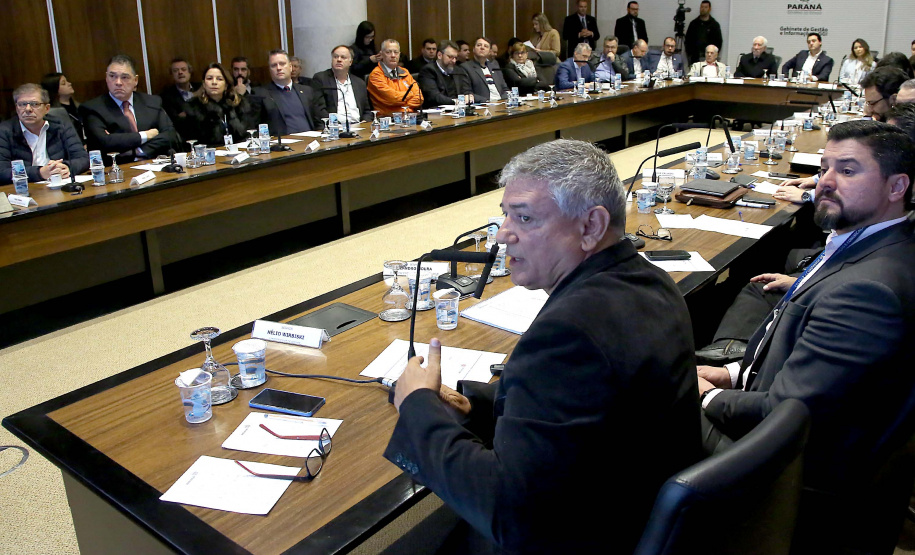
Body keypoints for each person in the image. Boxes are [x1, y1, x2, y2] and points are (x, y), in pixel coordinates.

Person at [384, 138, 701, 554]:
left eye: (525, 218)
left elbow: (510, 514)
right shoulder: (652, 281)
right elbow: (584, 408)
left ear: (591, 226)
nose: (503, 236)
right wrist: (474, 404)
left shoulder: (569, 333)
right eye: (505, 215)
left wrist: (417, 405)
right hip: (635, 505)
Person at [698, 120, 915, 554]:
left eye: (848, 171)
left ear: (897, 187)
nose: (825, 183)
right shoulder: (869, 242)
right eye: (824, 167)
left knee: (633, 408)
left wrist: (704, 397)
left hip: (794, 475)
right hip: (794, 425)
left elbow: (784, 412)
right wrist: (734, 374)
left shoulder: (869, 288)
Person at [80, 54, 178, 164]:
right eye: (112, 76)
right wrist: (145, 135)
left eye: (124, 77)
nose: (118, 82)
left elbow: (169, 135)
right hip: (116, 169)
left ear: (135, 80)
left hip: (153, 164)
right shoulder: (93, 108)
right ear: (106, 78)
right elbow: (104, 142)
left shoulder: (152, 102)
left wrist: (139, 151)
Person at [0, 83, 88, 184]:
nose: (28, 109)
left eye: (34, 104)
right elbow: (2, 171)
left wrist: (66, 167)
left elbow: (82, 158)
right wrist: (40, 173)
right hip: (26, 189)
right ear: (16, 108)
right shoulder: (4, 131)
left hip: (59, 183)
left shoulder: (60, 125)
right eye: (22, 104)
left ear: (47, 108)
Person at [183, 63, 268, 146]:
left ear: (226, 85)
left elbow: (248, 133)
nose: (214, 82)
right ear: (204, 84)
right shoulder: (193, 107)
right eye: (209, 78)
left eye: (219, 79)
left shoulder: (238, 103)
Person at [255, 49, 326, 134]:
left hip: (311, 141)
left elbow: (319, 120)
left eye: (282, 64)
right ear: (269, 70)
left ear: (290, 67)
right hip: (282, 144)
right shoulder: (261, 94)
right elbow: (255, 127)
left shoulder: (307, 91)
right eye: (274, 65)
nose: (278, 68)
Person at [312, 45, 374, 124]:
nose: (339, 60)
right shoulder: (321, 79)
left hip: (359, 126)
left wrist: (365, 122)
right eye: (336, 57)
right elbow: (319, 109)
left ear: (350, 62)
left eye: (343, 57)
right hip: (334, 127)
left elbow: (367, 111)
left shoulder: (359, 83)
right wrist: (336, 125)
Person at [367, 39, 423, 115]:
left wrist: (402, 105)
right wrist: (410, 94)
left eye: (396, 52)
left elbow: (419, 98)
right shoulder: (376, 75)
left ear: (399, 54)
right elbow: (393, 99)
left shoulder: (405, 72)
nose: (393, 55)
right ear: (381, 54)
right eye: (388, 52)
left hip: (409, 117)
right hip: (388, 120)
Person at [418, 40, 472, 107]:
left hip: (458, 110)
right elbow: (434, 96)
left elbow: (466, 90)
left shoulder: (458, 70)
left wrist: (468, 96)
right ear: (439, 55)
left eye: (455, 58)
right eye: (450, 57)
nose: (454, 61)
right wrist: (455, 101)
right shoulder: (428, 70)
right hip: (436, 112)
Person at [454, 37, 507, 102]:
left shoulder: (494, 66)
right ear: (473, 49)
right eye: (479, 45)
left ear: (490, 52)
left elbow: (505, 88)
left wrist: (503, 100)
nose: (482, 47)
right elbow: (467, 93)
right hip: (483, 105)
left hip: (501, 103)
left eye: (486, 46)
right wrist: (488, 101)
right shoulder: (465, 67)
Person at [159, 58, 199, 142]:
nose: (180, 72)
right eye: (175, 70)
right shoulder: (166, 96)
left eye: (184, 69)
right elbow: (177, 120)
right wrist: (195, 97)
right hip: (185, 138)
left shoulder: (200, 87)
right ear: (171, 74)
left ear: (190, 71)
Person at [40, 72, 84, 142]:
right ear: (54, 89)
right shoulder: (53, 113)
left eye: (67, 81)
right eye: (64, 83)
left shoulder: (80, 106)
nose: (69, 84)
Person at [684, 0, 723, 66]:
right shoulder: (693, 24)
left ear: (709, 9)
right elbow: (688, 40)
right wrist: (690, 54)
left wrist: (714, 55)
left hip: (710, 58)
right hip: (695, 57)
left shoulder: (714, 25)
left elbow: (719, 42)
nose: (703, 9)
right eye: (702, 7)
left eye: (705, 7)